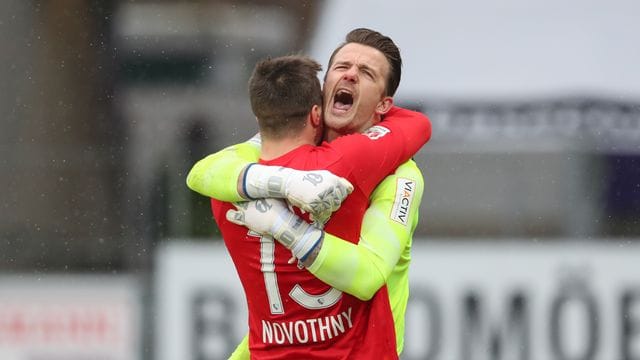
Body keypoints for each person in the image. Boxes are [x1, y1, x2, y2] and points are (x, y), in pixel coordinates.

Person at [187, 28, 428, 358]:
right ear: (323, 87)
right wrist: (285, 182)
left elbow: (369, 274)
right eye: (341, 67)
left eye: (367, 72)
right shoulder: (287, 150)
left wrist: (283, 225)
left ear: (384, 105)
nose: (351, 75)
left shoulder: (400, 175)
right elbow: (202, 172)